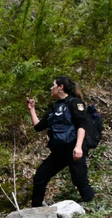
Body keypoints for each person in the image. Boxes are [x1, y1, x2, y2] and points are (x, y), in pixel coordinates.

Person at [26, 76, 95, 207]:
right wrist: (32, 109)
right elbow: (38, 126)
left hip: (73, 146)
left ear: (60, 87)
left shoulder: (75, 103)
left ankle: (95, 211)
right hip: (59, 150)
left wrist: (78, 147)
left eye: (53, 85)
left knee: (80, 180)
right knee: (40, 177)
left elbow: (82, 125)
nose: (51, 88)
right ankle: (35, 211)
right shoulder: (55, 107)